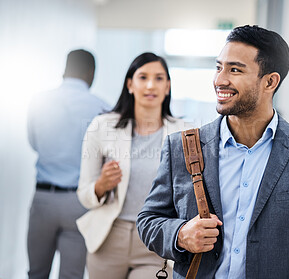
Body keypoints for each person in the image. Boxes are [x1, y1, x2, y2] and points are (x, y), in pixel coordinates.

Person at [137, 25, 289, 278]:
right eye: (218, 67)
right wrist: (180, 235)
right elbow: (148, 221)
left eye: (234, 70)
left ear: (270, 81)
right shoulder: (182, 147)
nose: (220, 80)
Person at [76, 52, 184, 278]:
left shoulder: (182, 133)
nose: (151, 85)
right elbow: (84, 193)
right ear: (130, 84)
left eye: (159, 78)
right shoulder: (102, 126)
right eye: (143, 77)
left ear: (168, 86)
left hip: (155, 241)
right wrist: (101, 185)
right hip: (108, 239)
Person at [27, 49, 109, 278]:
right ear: (91, 73)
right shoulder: (102, 108)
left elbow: (34, 143)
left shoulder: (39, 100)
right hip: (79, 203)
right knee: (72, 276)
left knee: (36, 273)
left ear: (65, 69)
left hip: (43, 199)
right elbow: (107, 156)